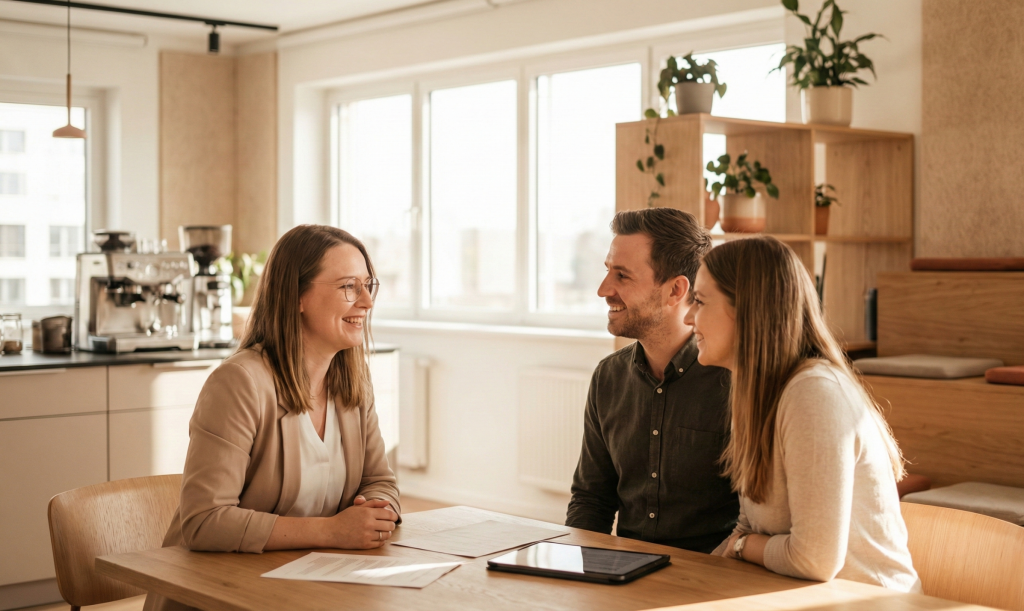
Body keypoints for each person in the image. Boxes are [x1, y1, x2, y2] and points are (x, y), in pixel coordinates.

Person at [145, 225, 401, 611]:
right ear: (297, 296)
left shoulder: (352, 380)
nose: (366, 301)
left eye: (369, 285)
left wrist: (374, 512)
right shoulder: (239, 383)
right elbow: (204, 521)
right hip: (217, 596)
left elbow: (380, 481)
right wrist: (331, 531)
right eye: (350, 286)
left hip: (303, 588)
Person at [685, 236, 920, 591]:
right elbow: (748, 528)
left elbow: (814, 560)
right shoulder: (755, 392)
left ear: (747, 308)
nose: (689, 317)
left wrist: (741, 547)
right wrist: (696, 577)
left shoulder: (813, 394)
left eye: (700, 301)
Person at [566, 208, 738, 554]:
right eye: (607, 272)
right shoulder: (608, 377)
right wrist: (575, 574)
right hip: (625, 574)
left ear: (676, 289)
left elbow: (756, 518)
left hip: (714, 581)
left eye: (622, 276)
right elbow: (591, 500)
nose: (603, 290)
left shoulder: (735, 380)